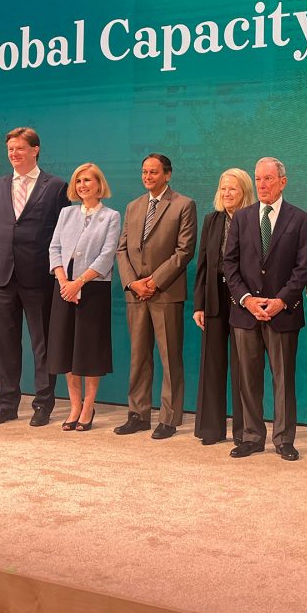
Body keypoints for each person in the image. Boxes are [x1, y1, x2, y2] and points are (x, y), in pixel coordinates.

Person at [0, 127, 70, 427]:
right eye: (10, 149)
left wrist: (60, 271)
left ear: (35, 149)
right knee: (4, 344)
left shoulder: (55, 186)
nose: (14, 154)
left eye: (19, 148)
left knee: (42, 344)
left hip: (40, 275)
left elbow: (63, 235)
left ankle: (43, 403)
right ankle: (7, 403)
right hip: (2, 274)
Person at [222, 157, 307, 461]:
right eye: (258, 179)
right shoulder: (242, 218)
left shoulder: (299, 219)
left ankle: (284, 439)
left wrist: (280, 301)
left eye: (268, 179)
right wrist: (246, 299)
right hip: (245, 313)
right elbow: (229, 264)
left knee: (283, 380)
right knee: (248, 378)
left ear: (283, 182)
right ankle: (251, 436)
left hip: (282, 312)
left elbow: (302, 268)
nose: (262, 184)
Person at [114, 153, 198, 439]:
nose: (148, 177)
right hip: (136, 294)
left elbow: (184, 251)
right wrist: (133, 283)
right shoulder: (133, 206)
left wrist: (154, 281)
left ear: (167, 174)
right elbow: (122, 249)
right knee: (139, 356)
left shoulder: (184, 205)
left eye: (153, 172)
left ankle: (169, 418)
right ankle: (138, 414)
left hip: (165, 293)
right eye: (144, 172)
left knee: (169, 357)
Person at [48, 163, 121, 431]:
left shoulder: (111, 216)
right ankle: (74, 406)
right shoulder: (66, 213)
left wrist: (78, 282)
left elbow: (107, 254)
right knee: (66, 348)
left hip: (93, 289)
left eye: (88, 180)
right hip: (64, 288)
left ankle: (89, 406)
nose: (82, 185)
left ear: (99, 184)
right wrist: (64, 281)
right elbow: (54, 247)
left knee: (89, 350)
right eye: (78, 181)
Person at [192, 168, 255, 446]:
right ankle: (210, 429)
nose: (227, 194)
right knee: (212, 364)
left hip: (243, 297)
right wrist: (199, 305)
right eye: (223, 189)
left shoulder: (254, 220)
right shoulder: (212, 220)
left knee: (242, 366)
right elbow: (203, 265)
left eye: (233, 189)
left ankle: (243, 432)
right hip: (214, 295)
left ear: (244, 192)